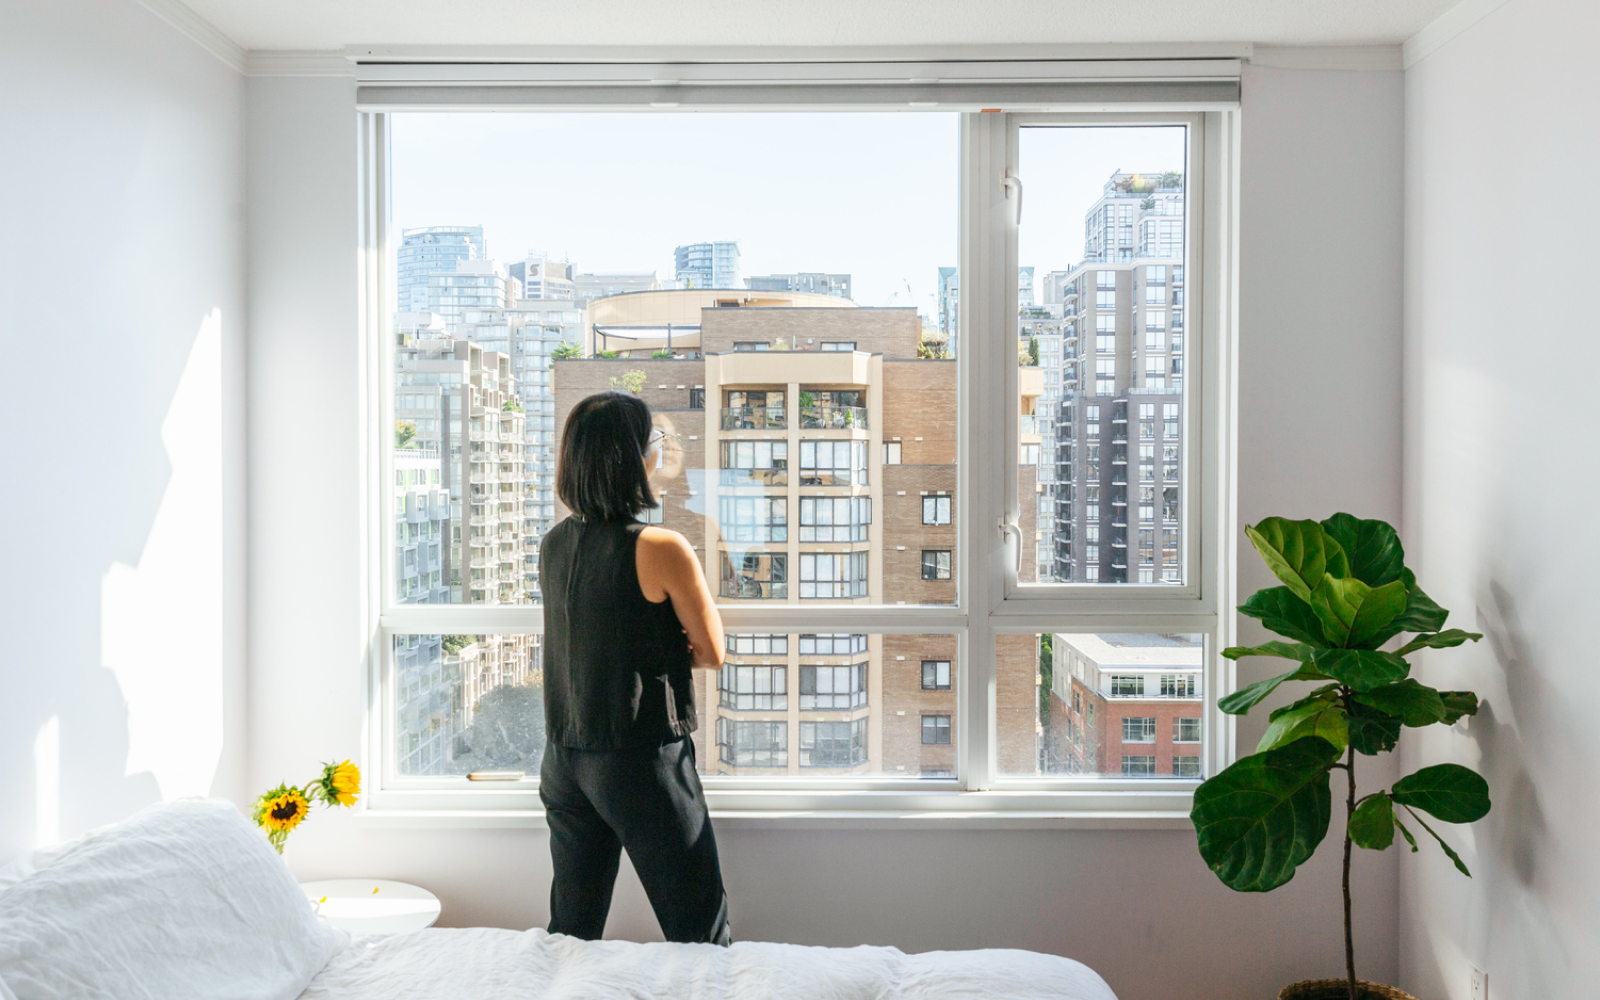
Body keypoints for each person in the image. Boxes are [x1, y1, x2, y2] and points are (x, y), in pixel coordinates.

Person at [538, 390, 731, 945]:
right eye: (655, 441)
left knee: (571, 932)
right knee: (700, 931)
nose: (661, 451)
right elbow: (711, 651)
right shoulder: (660, 546)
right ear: (634, 457)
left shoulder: (553, 545)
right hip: (639, 760)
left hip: (565, 758)